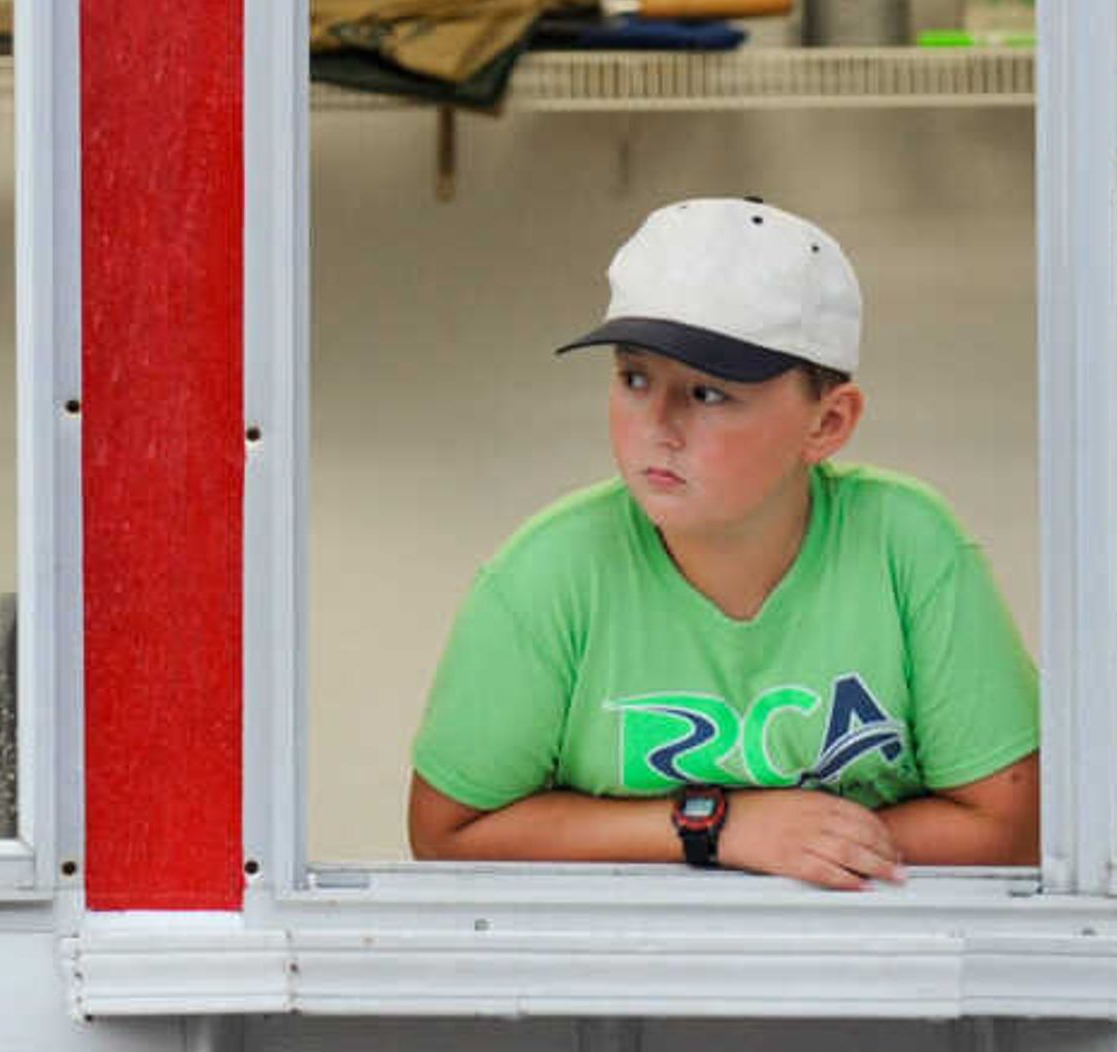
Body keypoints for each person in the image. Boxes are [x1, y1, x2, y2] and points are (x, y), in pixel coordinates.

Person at [404, 196, 1042, 886]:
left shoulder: (909, 547)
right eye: (634, 377)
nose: (659, 424)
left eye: (708, 393)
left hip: (868, 980)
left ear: (827, 423)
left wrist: (803, 843)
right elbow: (446, 834)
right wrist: (720, 827)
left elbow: (1013, 829)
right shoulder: (548, 573)